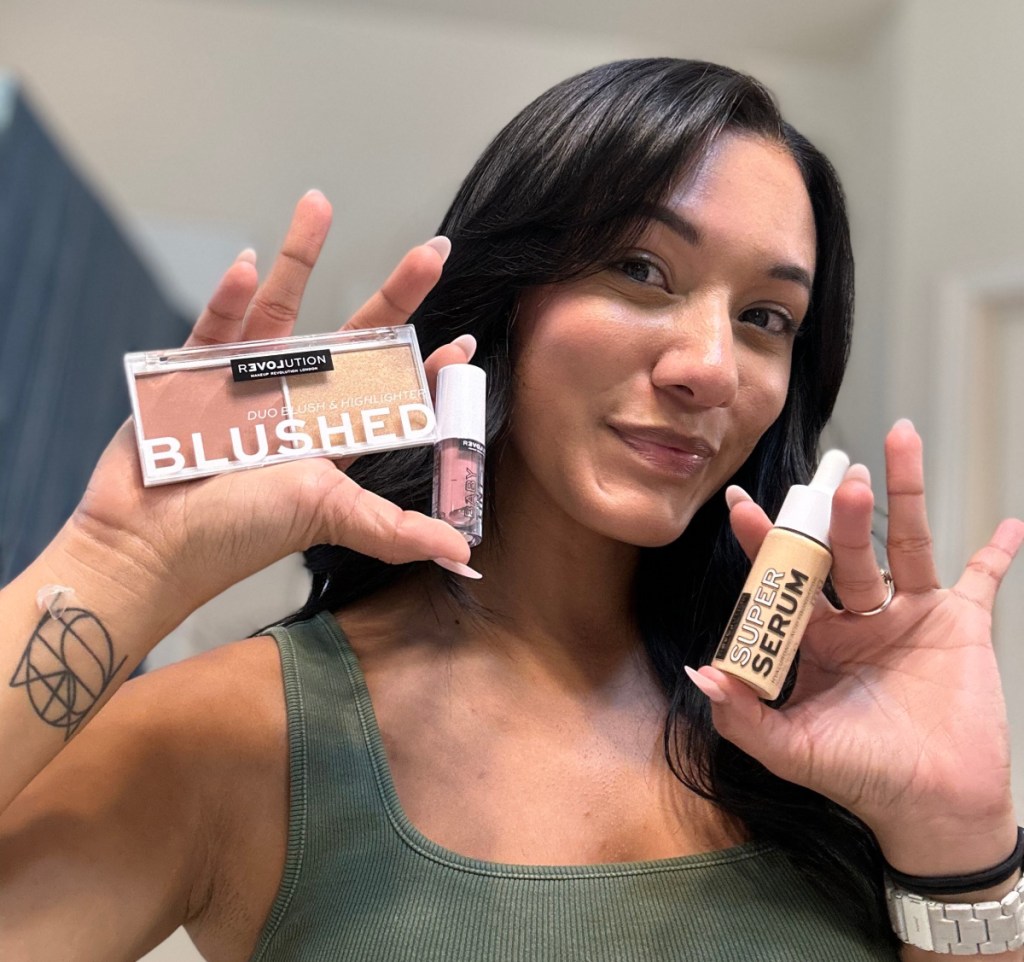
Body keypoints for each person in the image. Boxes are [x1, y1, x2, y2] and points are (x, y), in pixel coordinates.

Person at [0, 58, 1021, 962]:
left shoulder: (819, 722)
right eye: (639, 268)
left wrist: (958, 846)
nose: (712, 368)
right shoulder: (239, 737)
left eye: (765, 318)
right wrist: (115, 566)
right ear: (505, 296)